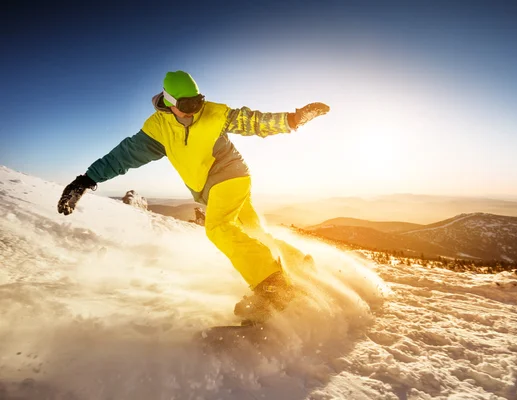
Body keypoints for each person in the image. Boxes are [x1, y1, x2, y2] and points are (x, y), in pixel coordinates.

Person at [57, 70, 330, 321]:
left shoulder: (214, 113)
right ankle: (299, 264)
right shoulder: (158, 128)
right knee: (252, 232)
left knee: (219, 228)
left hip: (231, 176)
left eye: (197, 102)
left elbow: (254, 121)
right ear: (169, 101)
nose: (193, 111)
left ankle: (274, 288)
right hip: (209, 190)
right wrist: (87, 180)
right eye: (186, 105)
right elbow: (124, 155)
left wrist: (292, 119)